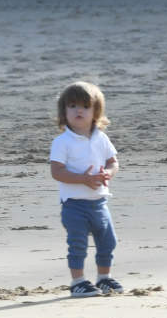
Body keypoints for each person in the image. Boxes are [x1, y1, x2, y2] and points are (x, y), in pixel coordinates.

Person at [49, 81, 123, 298]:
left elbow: (113, 162)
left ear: (96, 112)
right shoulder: (62, 142)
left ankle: (104, 278)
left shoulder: (101, 138)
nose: (78, 110)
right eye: (72, 106)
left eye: (85, 106)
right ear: (64, 112)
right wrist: (83, 179)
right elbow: (57, 172)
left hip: (99, 202)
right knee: (78, 244)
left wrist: (108, 173)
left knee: (108, 241)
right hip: (74, 204)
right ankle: (78, 281)